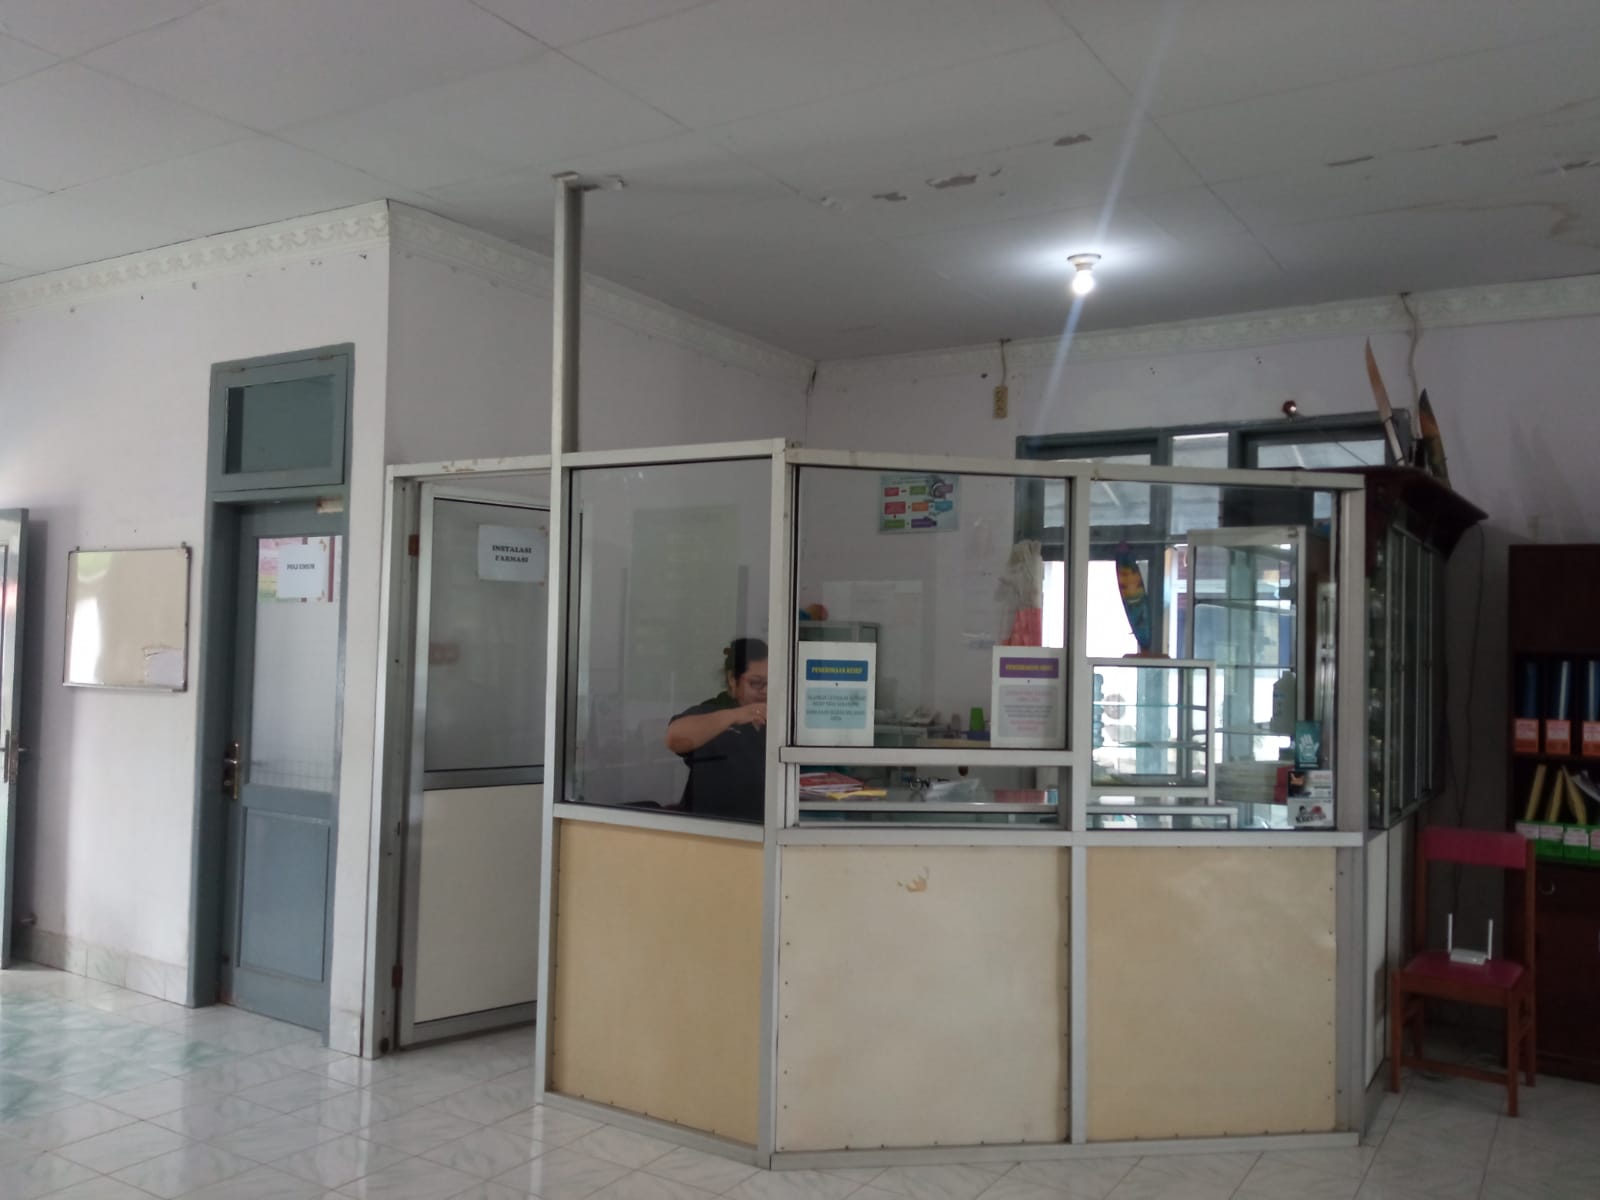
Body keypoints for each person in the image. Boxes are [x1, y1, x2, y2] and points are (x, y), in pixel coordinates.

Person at [664, 638, 768, 822]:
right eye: (756, 683)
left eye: (771, 683)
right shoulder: (713, 710)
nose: (765, 691)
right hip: (713, 827)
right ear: (732, 680)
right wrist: (736, 715)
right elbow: (675, 738)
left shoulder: (781, 715)